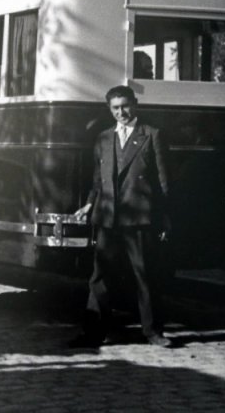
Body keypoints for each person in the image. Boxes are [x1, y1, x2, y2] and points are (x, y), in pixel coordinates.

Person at [71, 85, 171, 348]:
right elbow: (98, 179)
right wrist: (89, 204)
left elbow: (163, 182)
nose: (121, 112)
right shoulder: (103, 138)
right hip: (108, 218)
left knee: (145, 276)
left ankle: (153, 332)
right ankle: (93, 332)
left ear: (135, 104)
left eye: (125, 106)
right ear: (109, 109)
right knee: (99, 277)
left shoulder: (151, 135)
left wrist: (163, 218)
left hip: (140, 218)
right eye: (115, 108)